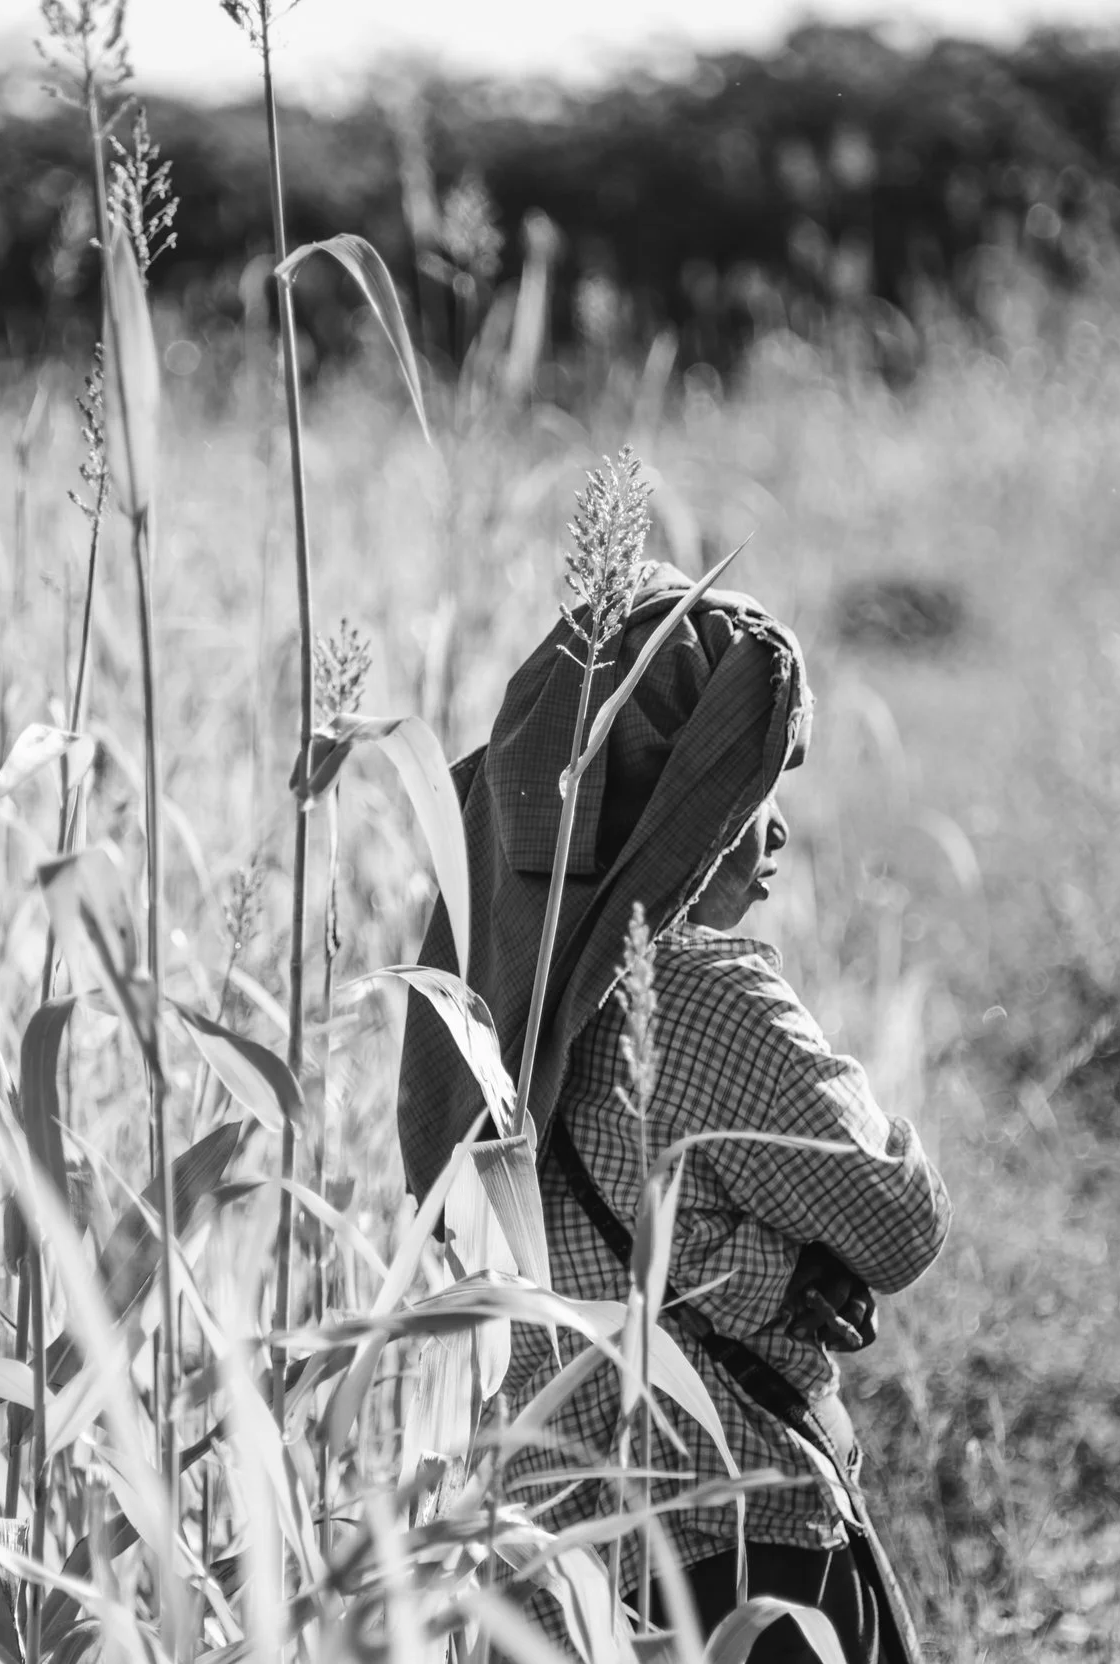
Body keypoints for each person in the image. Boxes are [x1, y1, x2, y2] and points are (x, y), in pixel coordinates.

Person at [396, 566, 951, 1663]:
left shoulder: (479, 1009)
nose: (775, 832)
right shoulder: (705, 995)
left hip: (552, 1593)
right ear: (672, 808)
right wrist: (784, 1265)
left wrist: (746, 1264)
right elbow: (899, 1226)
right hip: (741, 1561)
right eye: (746, 793)